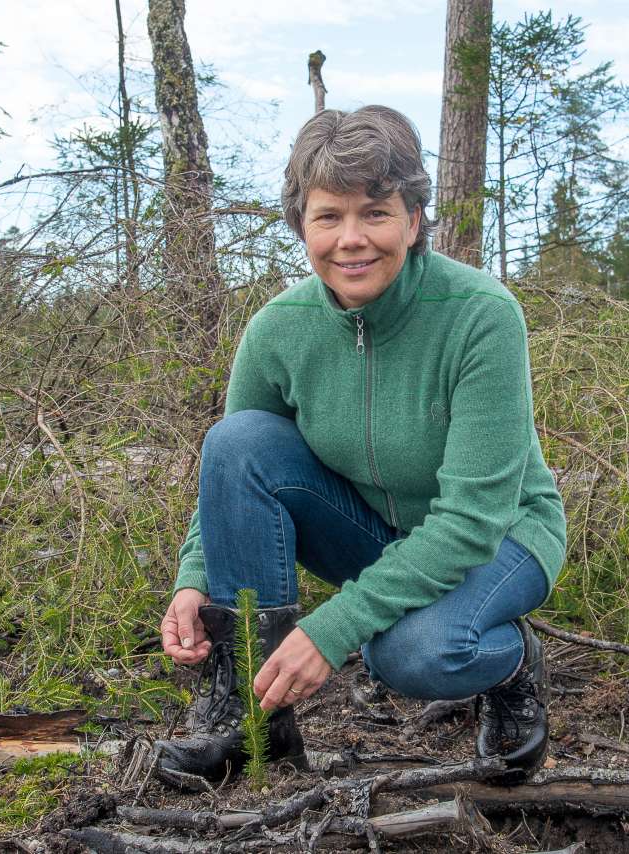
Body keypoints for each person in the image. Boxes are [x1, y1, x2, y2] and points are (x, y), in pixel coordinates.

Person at [154, 105, 568, 789]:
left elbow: (471, 519)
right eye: (328, 217)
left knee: (411, 655)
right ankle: (250, 724)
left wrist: (333, 628)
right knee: (238, 436)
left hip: (501, 537)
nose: (351, 240)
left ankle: (513, 665)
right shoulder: (278, 329)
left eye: (375, 212)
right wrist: (193, 577)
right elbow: (234, 471)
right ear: (300, 225)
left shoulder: (480, 316)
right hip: (377, 532)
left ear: (412, 219)